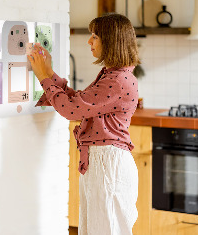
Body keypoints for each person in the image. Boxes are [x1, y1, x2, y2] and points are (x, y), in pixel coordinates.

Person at [28, 13, 140, 235]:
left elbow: (71, 110)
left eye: (95, 36)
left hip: (108, 164)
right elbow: (79, 102)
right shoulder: (113, 75)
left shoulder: (117, 80)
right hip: (103, 162)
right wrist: (49, 73)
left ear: (111, 41)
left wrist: (43, 77)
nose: (89, 41)